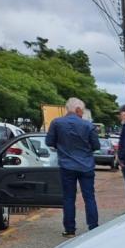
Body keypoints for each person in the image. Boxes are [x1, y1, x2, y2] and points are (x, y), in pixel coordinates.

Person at [45, 97, 100, 237]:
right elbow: (96, 146)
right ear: (78, 109)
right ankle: (93, 227)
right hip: (86, 165)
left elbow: (49, 141)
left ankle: (70, 229)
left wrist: (61, 146)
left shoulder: (57, 123)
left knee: (69, 198)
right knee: (89, 197)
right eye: (82, 110)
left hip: (66, 165)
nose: (82, 113)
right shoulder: (88, 125)